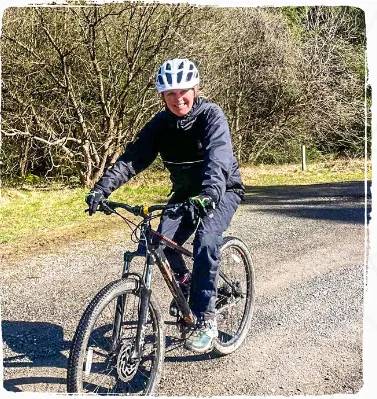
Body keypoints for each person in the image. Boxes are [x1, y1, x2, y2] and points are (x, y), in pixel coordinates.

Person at [85, 58, 245, 353]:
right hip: (185, 193)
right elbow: (132, 159)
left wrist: (209, 194)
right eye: (170, 94)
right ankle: (186, 283)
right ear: (162, 96)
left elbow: (219, 159)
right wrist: (101, 188)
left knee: (206, 241)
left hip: (220, 190)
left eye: (183, 91)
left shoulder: (211, 116)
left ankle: (207, 319)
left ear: (195, 90)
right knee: (161, 242)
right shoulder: (160, 125)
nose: (178, 99)